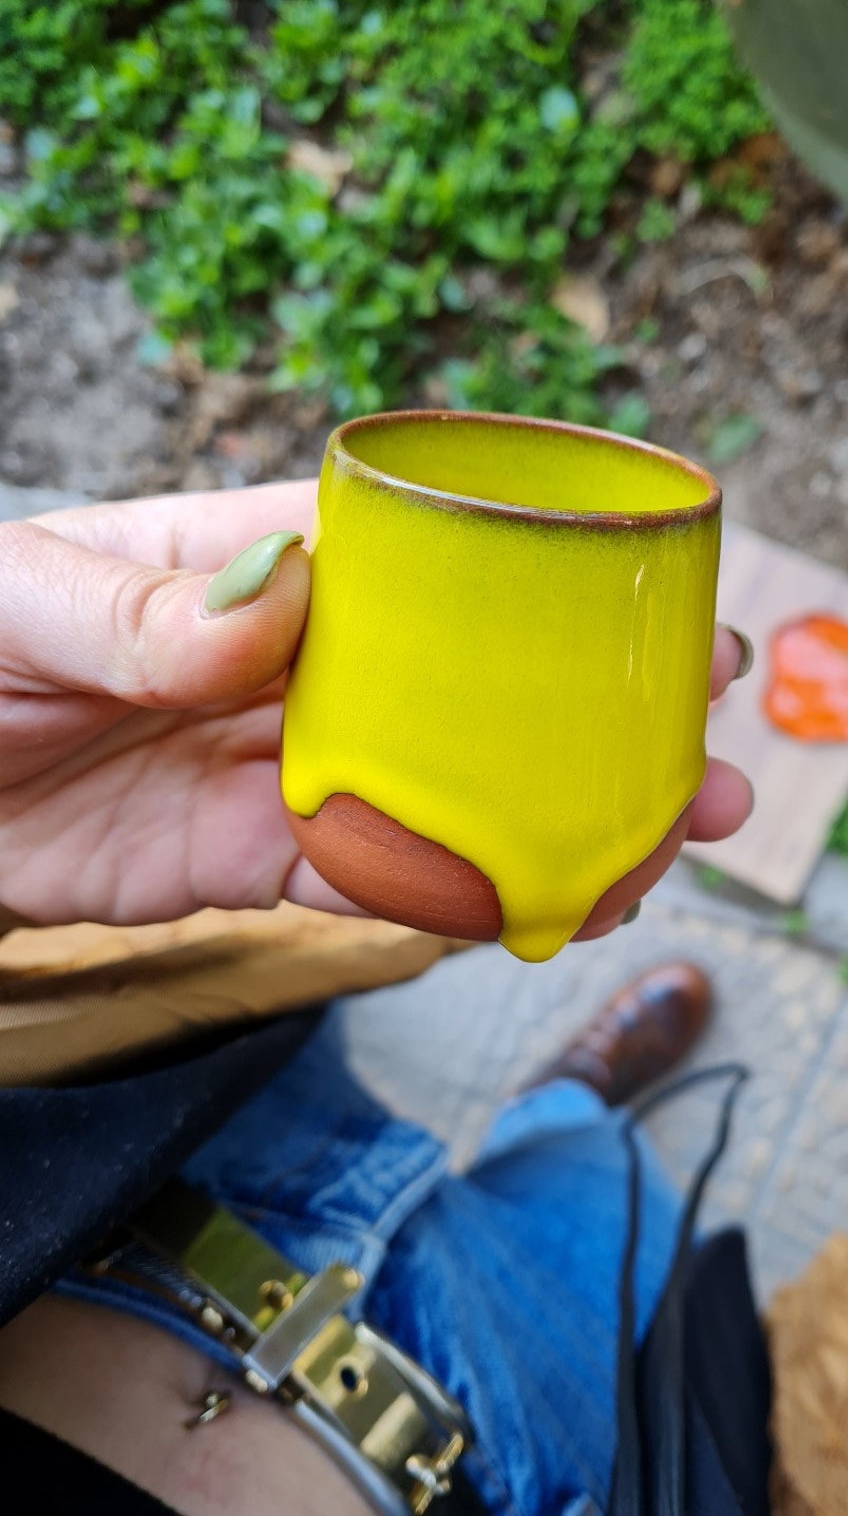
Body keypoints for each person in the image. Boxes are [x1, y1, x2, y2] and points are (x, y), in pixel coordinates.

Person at [0, 480, 759, 1515]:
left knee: (290, 1032)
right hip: (521, 1451)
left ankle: (564, 1099)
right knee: (612, 1203)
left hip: (159, 1159)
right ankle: (570, 1103)